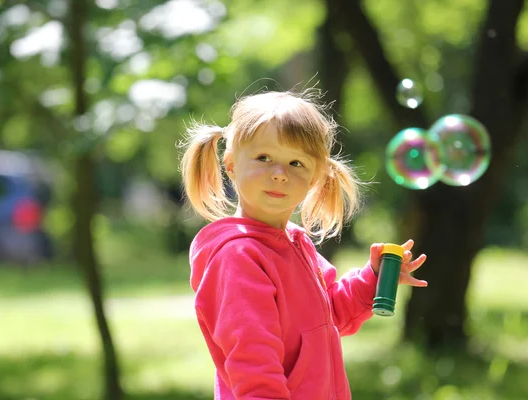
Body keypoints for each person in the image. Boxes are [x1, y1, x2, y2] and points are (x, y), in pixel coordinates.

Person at [179, 89, 428, 399]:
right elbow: (253, 364)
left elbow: (328, 316)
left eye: (296, 163)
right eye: (263, 158)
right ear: (231, 165)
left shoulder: (294, 242)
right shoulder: (238, 257)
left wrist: (374, 279)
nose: (280, 174)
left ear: (314, 179)